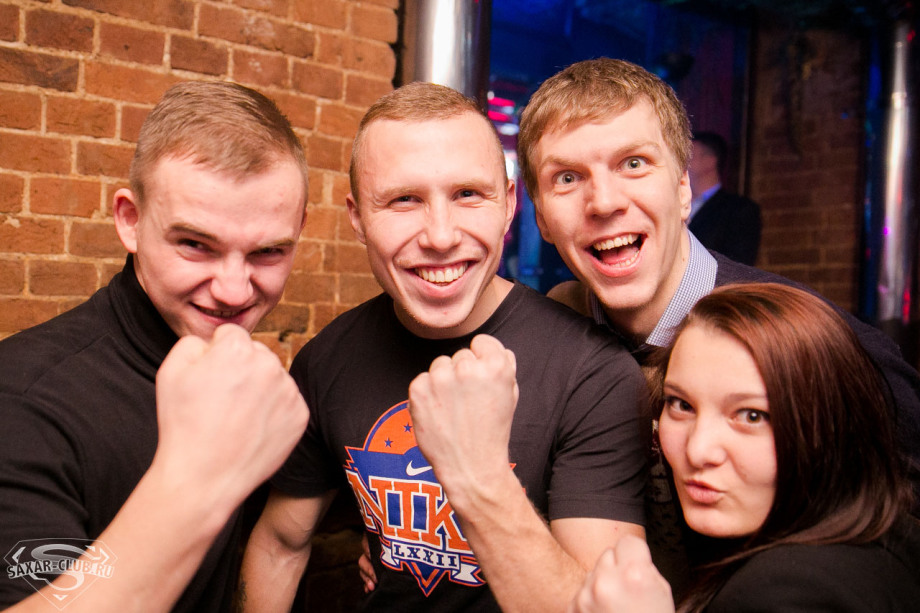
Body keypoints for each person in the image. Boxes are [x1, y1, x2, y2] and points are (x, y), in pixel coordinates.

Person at [239, 81, 648, 612]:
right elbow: (280, 544)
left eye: (467, 195)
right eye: (404, 200)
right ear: (358, 218)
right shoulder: (328, 359)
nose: (440, 236)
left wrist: (481, 477)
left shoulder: (592, 373)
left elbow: (601, 605)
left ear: (508, 205)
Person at [516, 57, 920, 510]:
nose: (604, 202)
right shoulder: (558, 328)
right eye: (567, 178)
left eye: (633, 163)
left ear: (683, 189)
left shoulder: (816, 347)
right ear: (541, 218)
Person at [0, 81, 310, 611]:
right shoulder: (23, 402)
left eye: (268, 252)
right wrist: (200, 480)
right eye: (195, 245)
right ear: (131, 220)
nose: (234, 290)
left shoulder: (240, 378)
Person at [569, 283, 920, 613]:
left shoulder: (785, 591)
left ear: (831, 428)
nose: (698, 451)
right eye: (681, 404)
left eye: (751, 416)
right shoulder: (887, 534)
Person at [687, 131, 761, 265]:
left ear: (710, 161)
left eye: (689, 155)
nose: (682, 162)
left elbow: (738, 263)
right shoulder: (676, 205)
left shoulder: (738, 210)